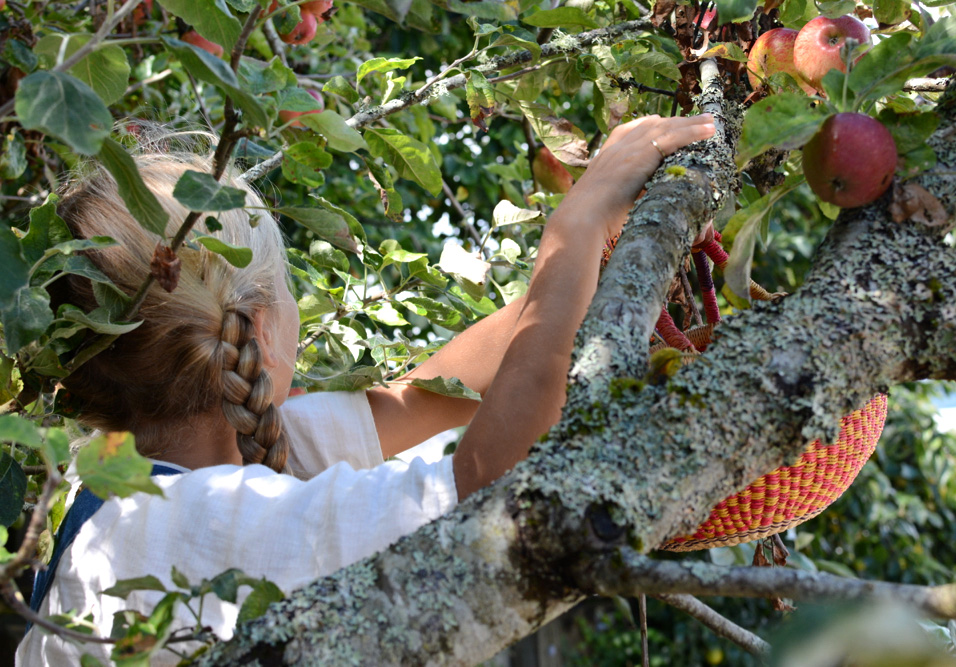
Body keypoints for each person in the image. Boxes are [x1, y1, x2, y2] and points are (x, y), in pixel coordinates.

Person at [16, 113, 716, 665]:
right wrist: (573, 220)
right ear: (260, 329)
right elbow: (492, 491)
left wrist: (599, 260)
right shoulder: (171, 529)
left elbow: (423, 396)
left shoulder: (161, 474)